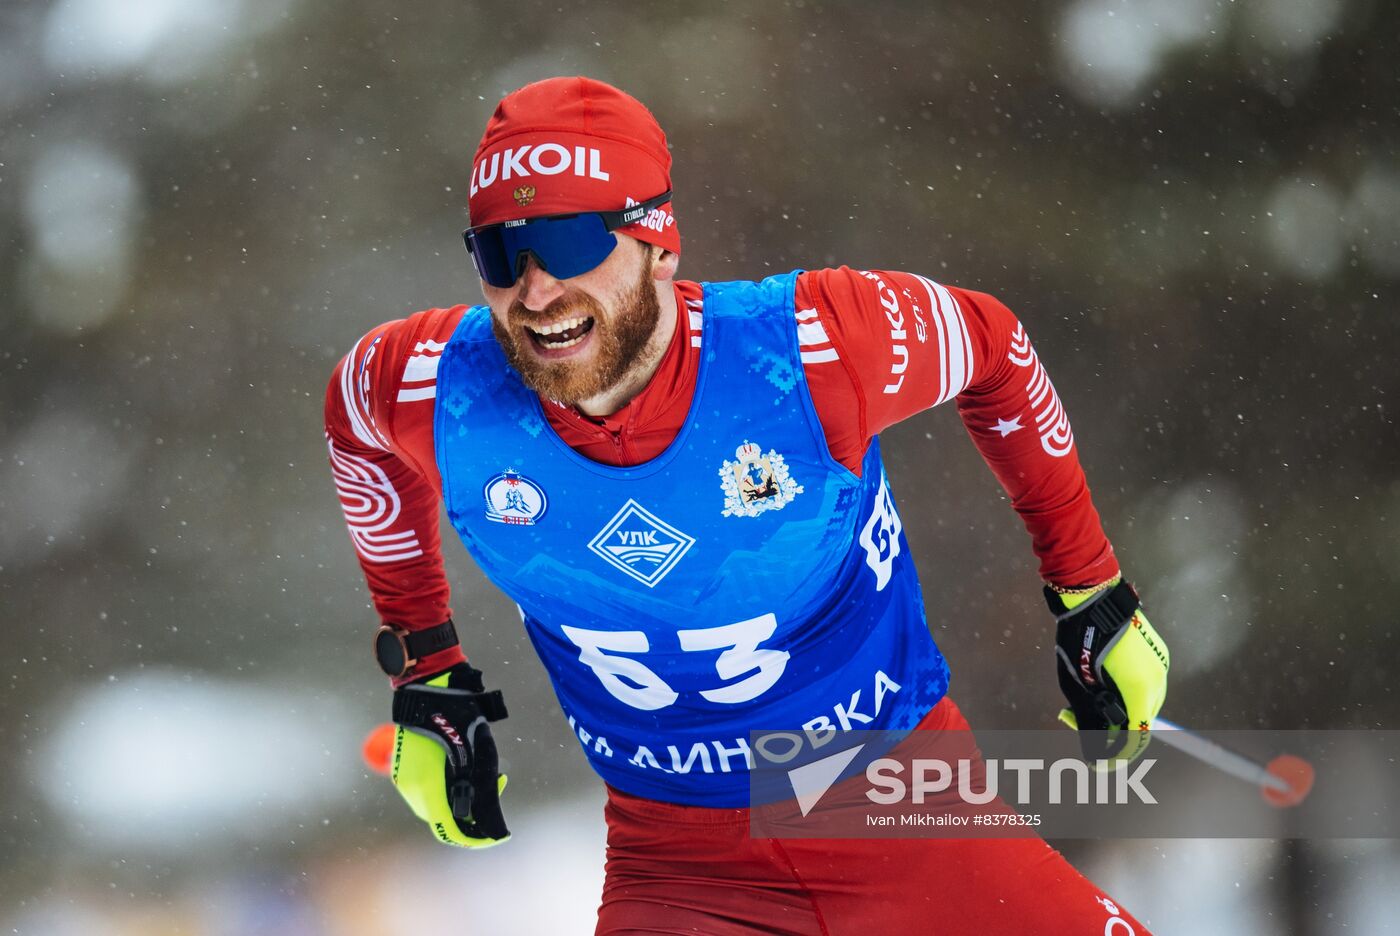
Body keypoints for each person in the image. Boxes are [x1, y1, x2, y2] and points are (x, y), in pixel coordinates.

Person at [324, 76, 1169, 934]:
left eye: (571, 243)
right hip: (681, 872)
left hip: (912, 817)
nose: (537, 294)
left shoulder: (816, 345)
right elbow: (352, 429)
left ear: (658, 242)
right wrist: (427, 670)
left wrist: (1090, 588)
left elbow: (995, 348)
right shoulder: (433, 386)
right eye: (502, 253)